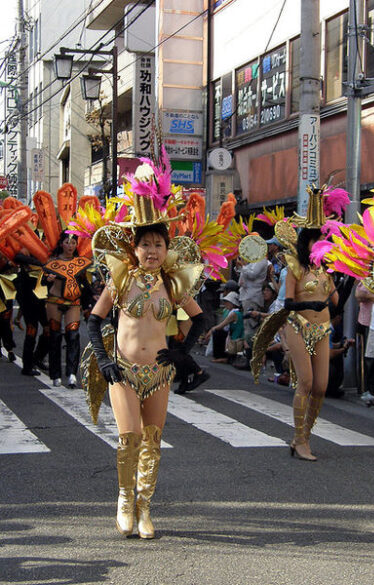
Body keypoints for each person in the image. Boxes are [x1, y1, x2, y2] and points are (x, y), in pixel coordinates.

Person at [84, 155, 205, 540]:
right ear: (134, 249)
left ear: (167, 248)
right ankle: (124, 500)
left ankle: (145, 508)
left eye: (158, 244)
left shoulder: (172, 284)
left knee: (153, 441)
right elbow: (94, 319)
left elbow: (201, 318)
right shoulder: (120, 280)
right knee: (130, 438)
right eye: (145, 244)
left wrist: (183, 352)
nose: (152, 250)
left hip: (159, 373)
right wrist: (103, 360)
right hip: (123, 371)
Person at [285, 225, 338, 461]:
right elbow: (288, 303)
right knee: (305, 381)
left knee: (321, 387)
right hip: (298, 326)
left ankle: (302, 436)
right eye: (316, 241)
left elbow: (337, 301)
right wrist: (309, 306)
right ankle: (301, 439)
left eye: (323, 241)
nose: (320, 245)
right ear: (306, 242)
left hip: (323, 329)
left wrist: (350, 273)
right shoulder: (295, 267)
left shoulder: (327, 271)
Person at [44, 232, 91, 388]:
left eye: (73, 243)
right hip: (54, 301)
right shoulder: (52, 262)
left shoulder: (81, 263)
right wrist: (48, 278)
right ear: (61, 244)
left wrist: (88, 305)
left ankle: (71, 373)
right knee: (55, 337)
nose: (70, 246)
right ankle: (55, 374)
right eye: (67, 242)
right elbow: (43, 282)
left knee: (73, 336)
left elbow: (86, 286)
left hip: (73, 303)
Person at [205, 291, 244, 363]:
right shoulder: (231, 311)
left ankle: (222, 356)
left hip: (236, 339)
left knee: (217, 332)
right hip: (234, 337)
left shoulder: (234, 313)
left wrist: (211, 330)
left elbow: (221, 326)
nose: (225, 303)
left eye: (227, 302)